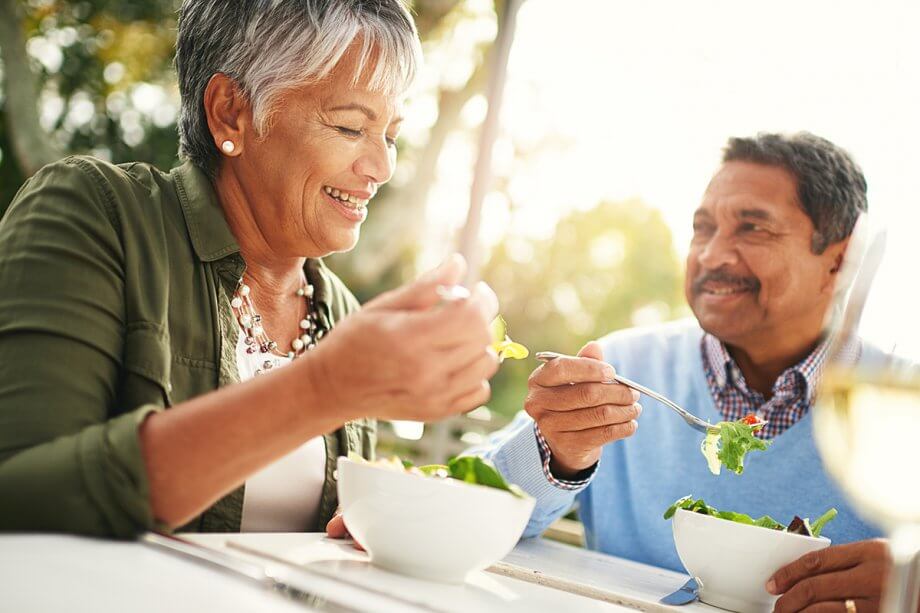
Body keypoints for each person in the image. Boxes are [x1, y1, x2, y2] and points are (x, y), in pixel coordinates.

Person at [0, 0, 499, 538]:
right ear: (230, 112)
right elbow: (21, 493)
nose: (381, 167)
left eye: (391, 135)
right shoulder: (96, 215)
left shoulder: (342, 315)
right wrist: (323, 387)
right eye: (350, 127)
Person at [474, 133, 898, 612]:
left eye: (753, 229)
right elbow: (467, 505)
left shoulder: (901, 402)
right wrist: (557, 455)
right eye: (703, 228)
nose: (712, 255)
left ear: (839, 261)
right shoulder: (621, 369)